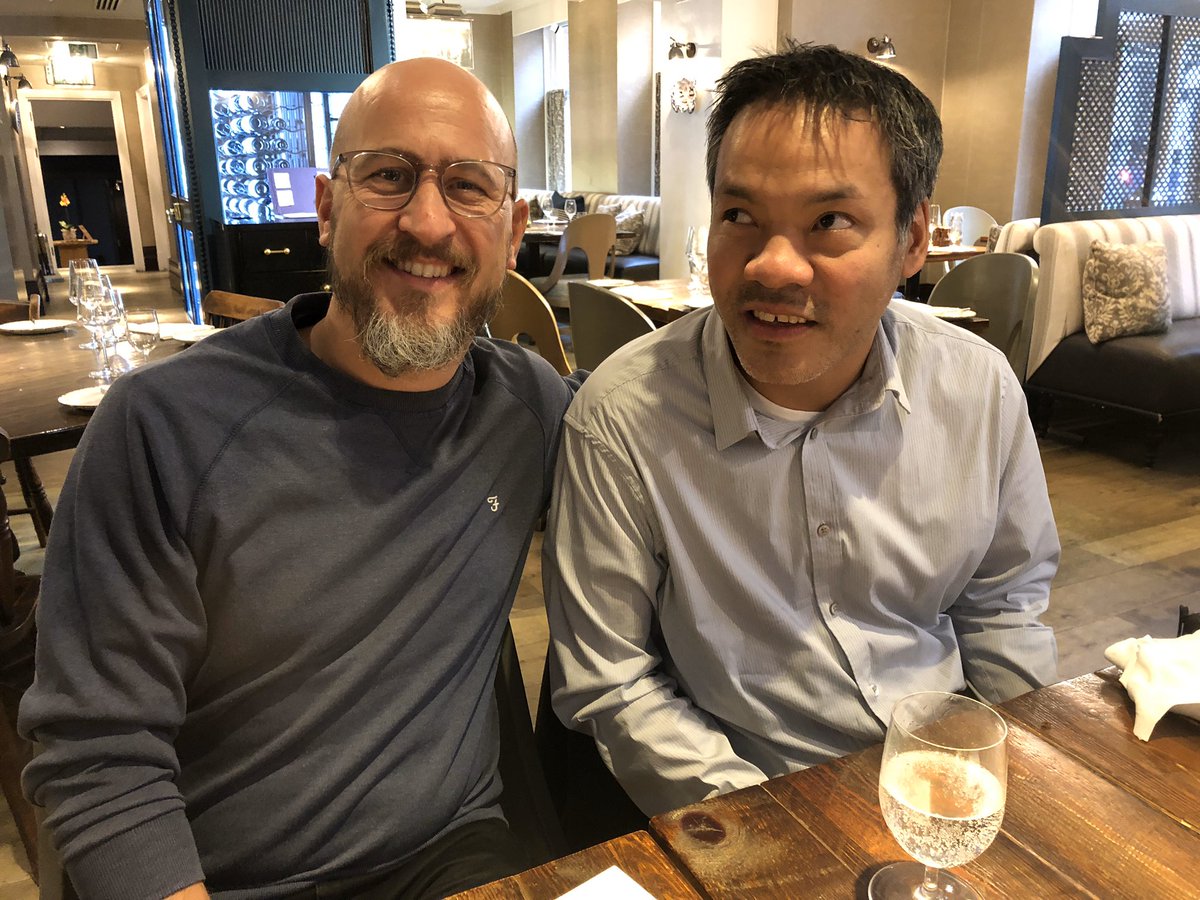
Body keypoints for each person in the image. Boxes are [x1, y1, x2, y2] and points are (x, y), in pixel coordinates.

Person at [21, 58, 578, 899]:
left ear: (513, 226)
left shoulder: (526, 407)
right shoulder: (160, 428)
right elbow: (98, 756)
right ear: (326, 207)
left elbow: (670, 452)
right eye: (388, 176)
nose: (428, 222)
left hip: (452, 856)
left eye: (468, 186)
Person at [543, 41, 1059, 817]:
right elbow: (612, 682)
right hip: (748, 800)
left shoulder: (977, 387)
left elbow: (1004, 606)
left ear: (913, 239)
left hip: (940, 776)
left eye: (831, 221)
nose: (773, 266)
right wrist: (778, 832)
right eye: (740, 215)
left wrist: (1024, 780)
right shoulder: (623, 420)